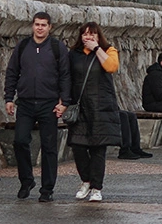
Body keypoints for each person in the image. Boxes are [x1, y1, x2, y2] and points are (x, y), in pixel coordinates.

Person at [4, 11, 71, 202]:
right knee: (20, 141)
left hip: (48, 104)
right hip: (25, 103)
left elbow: (65, 76)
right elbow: (12, 72)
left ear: (50, 27)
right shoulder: (23, 46)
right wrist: (9, 97)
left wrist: (64, 102)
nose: (39, 28)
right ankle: (26, 180)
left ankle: (47, 189)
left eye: (43, 25)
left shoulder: (58, 48)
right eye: (36, 24)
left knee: (49, 147)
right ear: (32, 26)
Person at [67, 22, 122, 202]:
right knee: (78, 146)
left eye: (92, 34)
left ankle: (97, 187)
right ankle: (86, 181)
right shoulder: (73, 54)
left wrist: (97, 49)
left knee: (99, 148)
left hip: (101, 106)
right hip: (80, 106)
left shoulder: (108, 51)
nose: (88, 37)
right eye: (85, 34)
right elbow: (66, 78)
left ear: (98, 36)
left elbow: (111, 67)